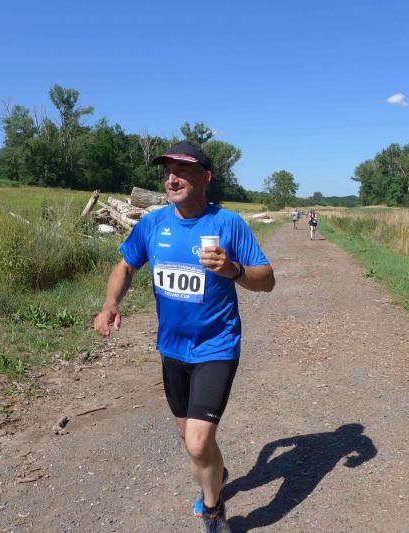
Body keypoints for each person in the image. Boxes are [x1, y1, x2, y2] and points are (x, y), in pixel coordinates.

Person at [93, 140, 275, 533]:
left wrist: (234, 270)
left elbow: (267, 280)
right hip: (172, 349)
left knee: (196, 442)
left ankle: (213, 511)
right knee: (188, 435)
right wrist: (110, 304)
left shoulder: (228, 224)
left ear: (205, 177)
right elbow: (125, 266)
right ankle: (217, 473)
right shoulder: (153, 224)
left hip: (216, 347)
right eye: (167, 172)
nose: (171, 179)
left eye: (182, 171)